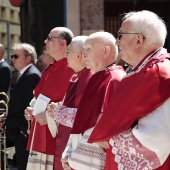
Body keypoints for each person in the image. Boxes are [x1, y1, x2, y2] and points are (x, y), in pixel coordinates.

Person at [88, 10, 170, 170]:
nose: (117, 42)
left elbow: (157, 137)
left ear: (139, 40)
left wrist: (110, 138)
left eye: (120, 36)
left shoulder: (160, 73)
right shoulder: (146, 70)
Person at [62, 32, 126, 170]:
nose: (84, 55)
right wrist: (71, 150)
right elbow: (82, 119)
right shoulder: (98, 76)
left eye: (89, 50)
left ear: (106, 51)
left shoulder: (113, 78)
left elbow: (104, 128)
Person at [24, 27, 74, 170]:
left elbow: (71, 102)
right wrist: (31, 110)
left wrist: (49, 116)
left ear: (63, 44)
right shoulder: (50, 68)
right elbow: (39, 97)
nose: (46, 41)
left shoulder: (72, 68)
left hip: (56, 136)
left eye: (50, 38)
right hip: (40, 132)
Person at [46, 35, 93, 170]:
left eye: (68, 52)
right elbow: (69, 102)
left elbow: (87, 115)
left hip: (79, 144)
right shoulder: (76, 75)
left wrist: (58, 111)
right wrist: (56, 107)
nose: (65, 56)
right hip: (66, 136)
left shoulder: (89, 77)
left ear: (79, 55)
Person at [5, 43, 41, 170]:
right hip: (20, 132)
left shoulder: (31, 75)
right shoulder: (25, 74)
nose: (12, 59)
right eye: (12, 56)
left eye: (16, 56)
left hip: (24, 134)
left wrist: (23, 130)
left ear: (28, 58)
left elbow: (32, 104)